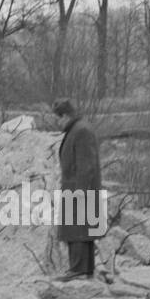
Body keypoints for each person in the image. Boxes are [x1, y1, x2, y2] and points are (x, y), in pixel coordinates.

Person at [53, 98, 101, 280]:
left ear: (65, 115)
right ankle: (85, 269)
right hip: (77, 187)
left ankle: (78, 269)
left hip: (79, 188)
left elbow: (86, 166)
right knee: (82, 229)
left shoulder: (81, 131)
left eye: (58, 118)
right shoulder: (78, 129)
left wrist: (79, 193)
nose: (58, 123)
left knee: (78, 229)